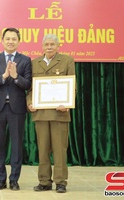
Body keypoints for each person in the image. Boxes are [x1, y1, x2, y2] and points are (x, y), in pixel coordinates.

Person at [26, 34, 75, 193]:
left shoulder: (67, 60)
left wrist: (67, 103)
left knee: (60, 150)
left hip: (59, 113)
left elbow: (72, 85)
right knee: (43, 149)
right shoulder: (35, 63)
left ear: (58, 46)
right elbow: (31, 89)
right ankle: (44, 181)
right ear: (42, 46)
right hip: (40, 113)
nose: (49, 47)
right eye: (46, 44)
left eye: (52, 44)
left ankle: (61, 182)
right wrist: (30, 103)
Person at [0, 27, 32, 191]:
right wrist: (4, 76)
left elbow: (28, 84)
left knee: (17, 145)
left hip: (17, 109)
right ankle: (0, 179)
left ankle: (14, 180)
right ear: (2, 40)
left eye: (14, 39)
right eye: (8, 38)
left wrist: (15, 77)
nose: (11, 41)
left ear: (18, 41)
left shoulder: (25, 60)